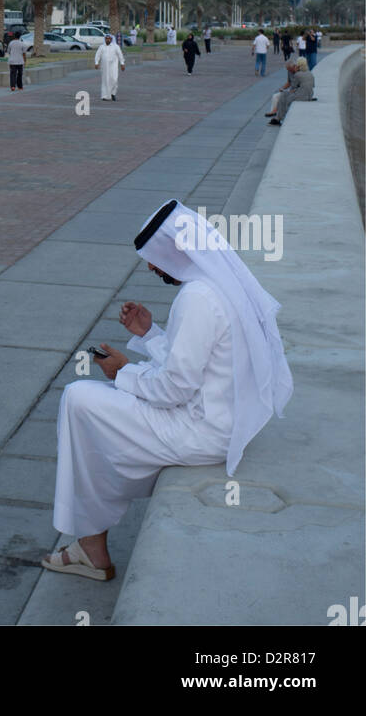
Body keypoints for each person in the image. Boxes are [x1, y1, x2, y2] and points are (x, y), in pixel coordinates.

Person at [42, 199, 292, 581]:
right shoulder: (218, 285)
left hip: (203, 431)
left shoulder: (196, 298)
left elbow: (174, 388)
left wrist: (121, 372)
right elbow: (200, 367)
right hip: (220, 417)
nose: (152, 267)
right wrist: (150, 333)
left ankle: (91, 546)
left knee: (78, 399)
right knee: (95, 407)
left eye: (155, 258)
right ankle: (91, 537)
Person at [270, 57, 314, 124]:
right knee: (283, 95)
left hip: (301, 95)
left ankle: (278, 117)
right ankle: (277, 115)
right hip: (310, 95)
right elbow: (312, 86)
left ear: (298, 66)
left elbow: (293, 87)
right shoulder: (309, 73)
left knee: (284, 96)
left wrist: (286, 91)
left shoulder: (297, 74)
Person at [94, 33, 125, 100]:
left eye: (109, 38)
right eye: (106, 38)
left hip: (113, 66)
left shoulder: (116, 46)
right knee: (105, 80)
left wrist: (122, 63)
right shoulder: (101, 47)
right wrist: (96, 63)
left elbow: (120, 55)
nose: (107, 40)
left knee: (114, 79)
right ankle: (104, 96)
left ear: (111, 39)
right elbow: (97, 55)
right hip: (104, 67)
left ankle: (113, 93)